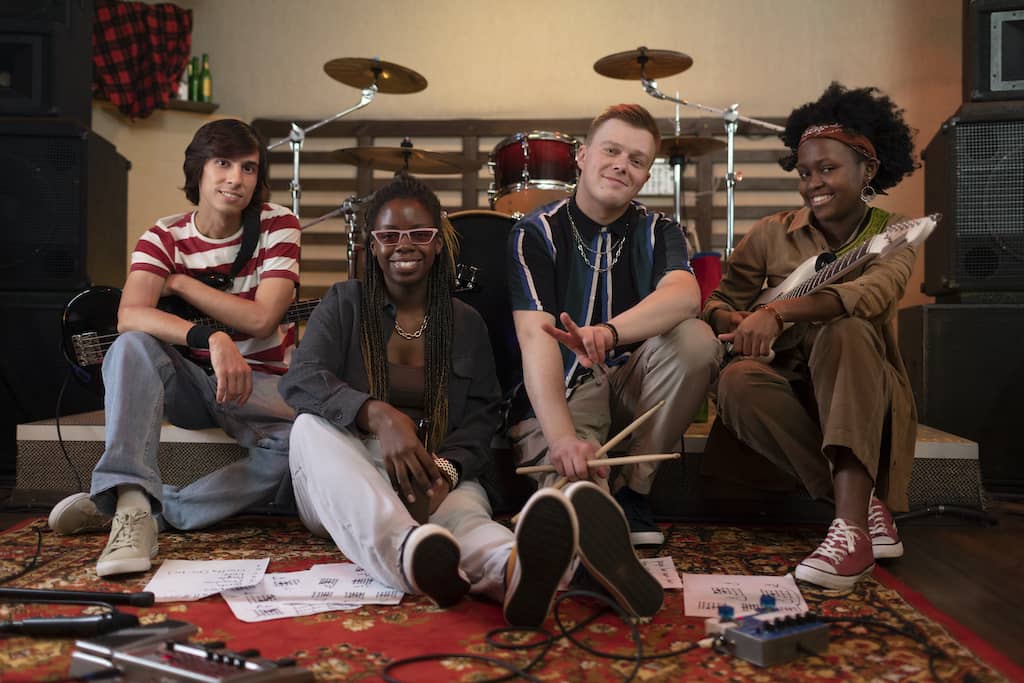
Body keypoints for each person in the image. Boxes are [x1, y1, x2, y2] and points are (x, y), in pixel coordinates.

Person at [279, 174, 663, 625]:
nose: (405, 245)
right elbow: (299, 381)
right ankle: (407, 552)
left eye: (420, 234)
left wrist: (444, 471)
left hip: (435, 470)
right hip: (347, 477)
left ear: (438, 242)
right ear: (372, 244)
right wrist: (378, 415)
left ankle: (527, 570)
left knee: (470, 523)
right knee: (308, 428)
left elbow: (483, 416)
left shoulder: (465, 322)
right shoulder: (344, 303)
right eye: (389, 236)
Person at [47, 119, 301, 577]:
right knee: (130, 346)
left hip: (260, 388)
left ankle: (141, 507)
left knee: (305, 450)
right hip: (193, 386)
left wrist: (182, 282)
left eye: (248, 168)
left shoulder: (278, 225)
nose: (235, 179)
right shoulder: (163, 235)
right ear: (198, 170)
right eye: (222, 163)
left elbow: (263, 318)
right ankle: (130, 498)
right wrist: (212, 337)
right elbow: (130, 315)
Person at [703, 82, 920, 590]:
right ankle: (862, 510)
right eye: (805, 173)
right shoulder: (771, 232)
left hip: (859, 394)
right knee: (735, 381)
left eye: (827, 169)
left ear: (868, 170)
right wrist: (731, 322)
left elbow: (871, 294)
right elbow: (718, 301)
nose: (812, 184)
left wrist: (778, 313)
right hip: (787, 399)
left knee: (845, 330)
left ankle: (846, 532)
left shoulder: (896, 233)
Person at [506, 104, 721, 547]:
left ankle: (633, 489)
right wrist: (563, 439)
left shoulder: (660, 230)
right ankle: (584, 514)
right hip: (565, 389)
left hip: (631, 383)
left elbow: (686, 295)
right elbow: (535, 338)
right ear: (582, 156)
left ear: (645, 177)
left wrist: (607, 332)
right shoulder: (535, 233)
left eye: (637, 161)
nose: (622, 165)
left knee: (697, 340)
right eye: (612, 151)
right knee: (576, 496)